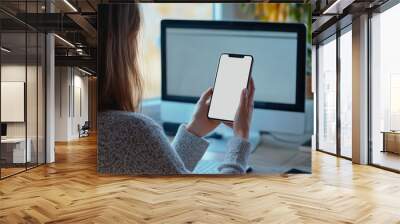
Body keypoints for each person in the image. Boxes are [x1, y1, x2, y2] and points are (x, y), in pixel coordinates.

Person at [97, 3, 255, 175]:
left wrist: (194, 131)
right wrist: (240, 137)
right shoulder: (133, 130)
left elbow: (164, 177)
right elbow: (222, 199)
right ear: (121, 44)